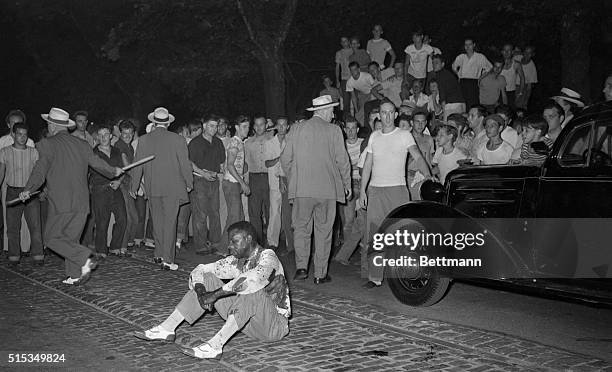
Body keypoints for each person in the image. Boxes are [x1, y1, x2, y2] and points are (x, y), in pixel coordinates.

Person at [134, 221, 290, 360]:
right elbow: (200, 270)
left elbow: (253, 280)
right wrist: (202, 293)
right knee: (208, 277)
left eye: (234, 242)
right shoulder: (237, 261)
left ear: (249, 239)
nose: (229, 246)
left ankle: (215, 346)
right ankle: (168, 328)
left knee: (252, 289)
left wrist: (214, 295)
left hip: (273, 327)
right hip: (248, 325)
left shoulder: (269, 258)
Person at [19, 107, 123, 285]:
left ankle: (85, 257)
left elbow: (40, 170)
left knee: (51, 239)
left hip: (62, 202)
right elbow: (98, 164)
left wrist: (29, 188)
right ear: (66, 126)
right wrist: (114, 170)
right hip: (82, 203)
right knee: (70, 240)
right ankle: (75, 275)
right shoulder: (82, 144)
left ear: (51, 126)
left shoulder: (46, 144)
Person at [359, 100, 431, 288]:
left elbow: (418, 157)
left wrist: (429, 176)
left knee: (402, 235)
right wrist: (362, 191)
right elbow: (367, 165)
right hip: (376, 191)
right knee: (376, 236)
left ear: (396, 114)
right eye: (384, 113)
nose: (388, 116)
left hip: (397, 190)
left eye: (391, 112)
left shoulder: (404, 135)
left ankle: (406, 275)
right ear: (379, 116)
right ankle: (375, 277)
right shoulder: (374, 136)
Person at [281, 95, 351, 284]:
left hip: (302, 190)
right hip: (327, 190)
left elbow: (285, 160)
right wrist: (347, 184)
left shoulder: (296, 129)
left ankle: (302, 267)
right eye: (332, 110)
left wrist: (294, 178)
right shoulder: (335, 130)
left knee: (301, 228)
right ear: (325, 111)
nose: (333, 113)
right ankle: (320, 274)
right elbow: (343, 161)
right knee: (324, 232)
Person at [129, 107, 193, 271]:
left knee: (157, 221)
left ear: (154, 122)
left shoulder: (144, 140)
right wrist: (189, 182)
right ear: (168, 123)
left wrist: (134, 185)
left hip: (153, 186)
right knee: (170, 222)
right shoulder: (178, 139)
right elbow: (185, 164)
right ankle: (168, 259)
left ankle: (158, 253)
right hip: (172, 187)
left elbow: (138, 165)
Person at [0, 122, 43, 266]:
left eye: (25, 134)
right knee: (12, 227)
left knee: (35, 226)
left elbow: (38, 174)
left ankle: (38, 255)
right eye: (19, 134)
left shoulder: (33, 152)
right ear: (13, 134)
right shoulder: (4, 151)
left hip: (30, 192)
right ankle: (14, 256)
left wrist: (36, 190)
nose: (22, 137)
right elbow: (1, 173)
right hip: (13, 191)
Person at [189, 115, 226, 255]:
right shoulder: (195, 143)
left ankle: (215, 242)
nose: (214, 129)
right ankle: (200, 245)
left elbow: (221, 163)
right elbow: (189, 162)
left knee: (215, 212)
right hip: (200, 180)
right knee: (201, 214)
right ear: (204, 126)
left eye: (216, 126)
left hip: (214, 180)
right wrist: (202, 173)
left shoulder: (218, 142)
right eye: (211, 125)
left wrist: (221, 171)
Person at [90, 124, 127, 258]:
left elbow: (123, 170)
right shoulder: (93, 153)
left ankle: (115, 247)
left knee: (122, 218)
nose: (103, 137)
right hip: (100, 190)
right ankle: (101, 250)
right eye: (100, 135)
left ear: (111, 136)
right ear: (97, 137)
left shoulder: (117, 151)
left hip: (116, 188)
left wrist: (119, 181)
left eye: (106, 134)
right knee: (102, 221)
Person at [332, 117, 364, 267]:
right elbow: (339, 166)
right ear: (344, 130)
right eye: (348, 128)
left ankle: (361, 248)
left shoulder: (363, 143)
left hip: (363, 183)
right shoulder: (341, 145)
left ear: (357, 129)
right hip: (348, 184)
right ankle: (346, 253)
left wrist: (352, 166)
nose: (351, 131)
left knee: (363, 218)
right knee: (349, 219)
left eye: (353, 128)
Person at [219, 116, 251, 255]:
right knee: (234, 218)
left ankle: (237, 247)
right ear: (237, 127)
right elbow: (230, 166)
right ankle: (223, 248)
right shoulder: (234, 142)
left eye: (248, 127)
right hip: (231, 183)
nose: (247, 130)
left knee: (238, 216)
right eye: (244, 127)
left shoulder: (239, 142)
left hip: (234, 182)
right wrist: (243, 183)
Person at [264, 117, 292, 253]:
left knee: (288, 214)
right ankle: (272, 242)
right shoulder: (269, 143)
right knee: (274, 212)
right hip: (274, 183)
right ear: (275, 127)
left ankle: (289, 243)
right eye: (279, 125)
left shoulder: (291, 141)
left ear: (287, 126)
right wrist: (279, 158)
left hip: (288, 182)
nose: (281, 128)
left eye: (284, 125)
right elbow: (267, 163)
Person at [245, 116, 271, 244]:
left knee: (270, 210)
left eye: (262, 124)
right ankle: (258, 242)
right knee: (254, 212)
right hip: (254, 178)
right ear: (253, 126)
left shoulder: (272, 140)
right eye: (256, 125)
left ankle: (271, 242)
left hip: (269, 178)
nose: (259, 127)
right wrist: (245, 182)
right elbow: (246, 164)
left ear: (266, 125)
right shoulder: (248, 142)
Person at [115, 119, 139, 250]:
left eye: (130, 133)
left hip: (128, 183)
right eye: (125, 133)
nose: (128, 136)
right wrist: (138, 183)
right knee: (128, 217)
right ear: (120, 133)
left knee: (133, 217)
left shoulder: (129, 146)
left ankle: (127, 243)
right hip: (122, 184)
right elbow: (127, 167)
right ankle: (122, 247)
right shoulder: (120, 146)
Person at [452, 38, 493, 108]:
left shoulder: (480, 57)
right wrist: (458, 75)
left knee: (473, 104)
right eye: (466, 45)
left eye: (470, 44)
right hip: (462, 82)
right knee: (462, 103)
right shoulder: (461, 57)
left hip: (473, 82)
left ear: (474, 45)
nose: (468, 47)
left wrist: (480, 78)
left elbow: (490, 67)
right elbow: (454, 66)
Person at [408, 110, 434, 200]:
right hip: (409, 178)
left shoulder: (429, 139)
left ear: (426, 122)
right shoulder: (406, 138)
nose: (420, 125)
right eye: (417, 122)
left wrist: (430, 175)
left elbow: (429, 160)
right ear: (411, 122)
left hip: (424, 177)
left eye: (423, 122)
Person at [430, 54, 466, 120]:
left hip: (453, 105)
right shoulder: (446, 73)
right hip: (460, 104)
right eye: (433, 63)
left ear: (442, 64)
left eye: (437, 63)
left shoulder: (440, 75)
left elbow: (443, 95)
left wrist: (444, 112)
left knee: (448, 127)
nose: (434, 65)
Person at [403, 29, 435, 99]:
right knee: (404, 90)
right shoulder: (409, 48)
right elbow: (406, 64)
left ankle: (418, 108)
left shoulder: (427, 48)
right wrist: (405, 78)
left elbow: (434, 60)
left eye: (417, 36)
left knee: (419, 94)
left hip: (421, 75)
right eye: (413, 37)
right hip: (411, 74)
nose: (415, 39)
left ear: (421, 37)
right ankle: (406, 107)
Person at [346, 61, 378, 126]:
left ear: (359, 69)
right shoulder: (349, 82)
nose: (353, 72)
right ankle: (364, 127)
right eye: (351, 70)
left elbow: (375, 88)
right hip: (362, 95)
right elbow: (353, 97)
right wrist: (356, 110)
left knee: (366, 112)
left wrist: (373, 98)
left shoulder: (367, 76)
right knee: (358, 115)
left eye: (354, 69)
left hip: (372, 93)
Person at [500, 44, 525, 108]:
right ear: (502, 52)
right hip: (499, 92)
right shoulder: (498, 64)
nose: (506, 52)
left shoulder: (516, 64)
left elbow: (522, 78)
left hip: (511, 92)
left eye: (509, 50)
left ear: (512, 52)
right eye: (505, 50)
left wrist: (520, 92)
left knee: (511, 112)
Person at [335, 36, 353, 118]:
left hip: (355, 78)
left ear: (349, 41)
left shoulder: (353, 50)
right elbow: (337, 67)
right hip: (344, 79)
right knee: (346, 101)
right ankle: (346, 119)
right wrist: (337, 81)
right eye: (342, 41)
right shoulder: (339, 53)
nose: (344, 43)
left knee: (356, 100)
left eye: (345, 41)